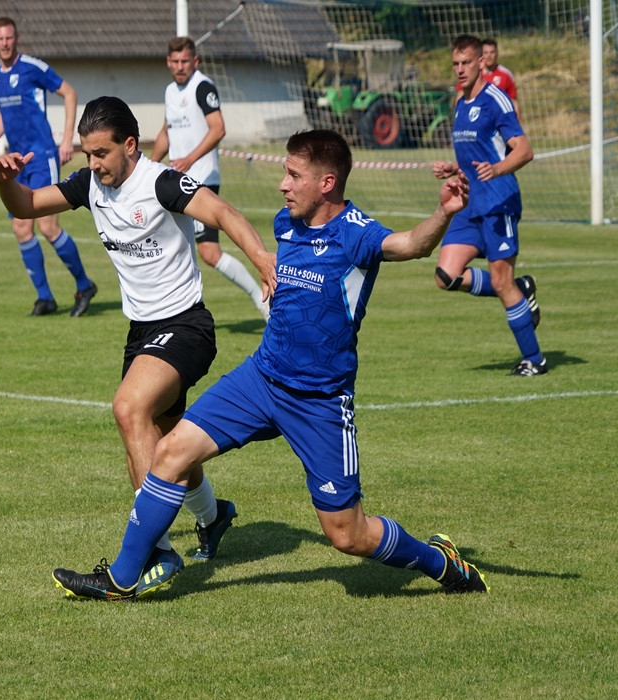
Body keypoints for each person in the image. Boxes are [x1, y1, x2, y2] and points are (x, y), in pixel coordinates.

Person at [52, 128, 489, 601]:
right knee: (171, 452)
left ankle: (440, 562)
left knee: (348, 535)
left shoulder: (357, 233)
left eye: (294, 175)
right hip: (260, 379)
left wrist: (443, 213)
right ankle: (122, 578)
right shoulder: (287, 222)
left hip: (319, 400)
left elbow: (412, 245)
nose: (283, 184)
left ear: (326, 183)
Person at [0, 96, 276, 597]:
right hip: (141, 333)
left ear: (129, 145)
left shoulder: (161, 182)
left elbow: (221, 210)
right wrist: (4, 181)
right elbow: (26, 205)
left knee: (129, 409)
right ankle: (213, 516)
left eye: (101, 153)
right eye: (87, 154)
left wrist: (261, 258)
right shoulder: (89, 185)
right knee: (162, 445)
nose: (94, 164)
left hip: (186, 327)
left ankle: (155, 554)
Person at [433, 34, 544, 377]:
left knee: (501, 280)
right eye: (455, 63)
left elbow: (524, 150)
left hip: (498, 201)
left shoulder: (496, 99)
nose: (460, 69)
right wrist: (454, 167)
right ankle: (520, 288)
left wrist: (496, 169)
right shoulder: (460, 103)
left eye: (466, 62)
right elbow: (478, 150)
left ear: (481, 61)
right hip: (469, 204)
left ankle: (534, 360)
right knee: (446, 276)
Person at [0, 16, 97, 317]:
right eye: (0, 38)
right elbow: (5, 113)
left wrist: (67, 139)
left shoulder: (32, 67)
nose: (5, 43)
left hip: (42, 156)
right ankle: (45, 298)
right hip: (16, 163)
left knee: (48, 226)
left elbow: (69, 92)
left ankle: (84, 285)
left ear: (16, 38)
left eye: (9, 38)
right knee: (21, 227)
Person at [151, 37, 269, 321]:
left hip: (201, 179)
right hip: (176, 180)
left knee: (209, 252)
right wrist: (149, 165)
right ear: (168, 62)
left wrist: (190, 159)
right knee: (170, 244)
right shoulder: (170, 91)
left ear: (195, 61)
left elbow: (218, 128)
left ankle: (263, 301)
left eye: (185, 61)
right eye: (175, 61)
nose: (180, 67)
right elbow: (166, 132)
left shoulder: (202, 86)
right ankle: (173, 311)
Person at [453, 38, 520, 119]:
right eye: (486, 52)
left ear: (497, 53)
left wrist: (516, 121)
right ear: (481, 55)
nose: (489, 56)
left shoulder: (506, 74)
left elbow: (513, 100)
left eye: (492, 52)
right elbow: (460, 96)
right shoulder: (473, 74)